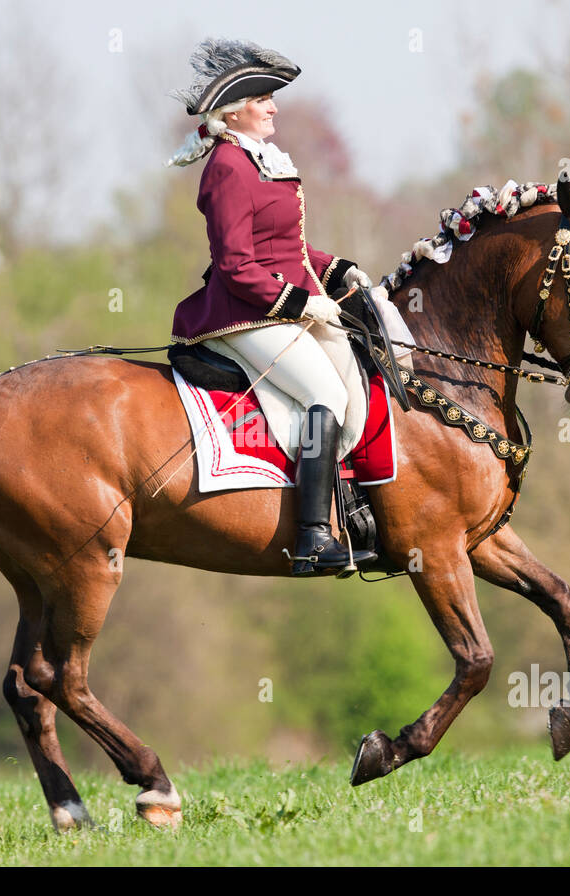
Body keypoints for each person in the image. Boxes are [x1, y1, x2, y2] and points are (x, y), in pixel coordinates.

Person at [166, 38, 379, 576]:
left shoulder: (260, 159)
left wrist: (336, 270)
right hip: (240, 314)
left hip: (276, 304)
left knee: (353, 378)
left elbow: (284, 247)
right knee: (325, 391)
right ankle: (311, 537)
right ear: (235, 109)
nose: (275, 106)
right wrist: (305, 303)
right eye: (265, 98)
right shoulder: (229, 168)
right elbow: (237, 264)